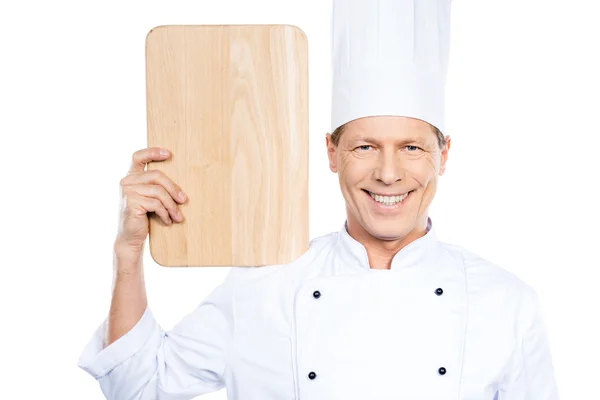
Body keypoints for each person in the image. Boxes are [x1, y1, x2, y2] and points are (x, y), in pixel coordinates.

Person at [78, 0, 560, 398]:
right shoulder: (265, 284)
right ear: (331, 152)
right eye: (364, 147)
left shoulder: (507, 304)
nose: (388, 174)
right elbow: (140, 386)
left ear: (444, 154)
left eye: (412, 148)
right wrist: (127, 255)